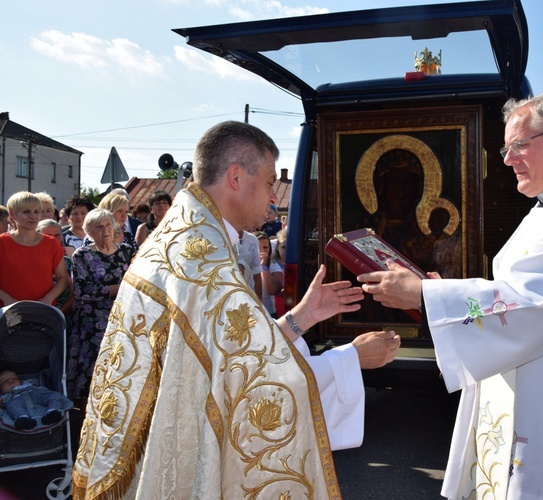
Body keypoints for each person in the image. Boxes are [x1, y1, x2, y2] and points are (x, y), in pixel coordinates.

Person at [72, 121, 400, 498]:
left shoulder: (190, 237)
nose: (272, 198)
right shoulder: (202, 262)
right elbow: (252, 384)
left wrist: (305, 315)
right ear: (235, 177)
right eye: (268, 182)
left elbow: (228, 352)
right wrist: (351, 358)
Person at [358, 94, 543, 499]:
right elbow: (518, 288)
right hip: (524, 387)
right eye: (505, 149)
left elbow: (536, 300)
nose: (508, 159)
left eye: (518, 146)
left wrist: (427, 293)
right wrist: (438, 290)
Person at [67, 209, 134, 401]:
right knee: (95, 372)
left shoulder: (127, 251)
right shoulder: (82, 255)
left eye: (108, 225)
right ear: (89, 231)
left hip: (123, 318)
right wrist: (121, 288)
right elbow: (83, 292)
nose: (105, 230)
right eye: (99, 227)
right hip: (93, 324)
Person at [0, 192, 68, 308]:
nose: (33, 216)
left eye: (37, 211)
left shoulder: (51, 244)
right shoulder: (2, 243)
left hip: (43, 311)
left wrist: (48, 299)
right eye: (26, 212)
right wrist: (7, 299)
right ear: (12, 215)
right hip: (7, 312)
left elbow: (63, 278)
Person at [0, 370, 72, 430]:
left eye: (14, 378)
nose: (10, 380)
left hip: (35, 394)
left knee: (54, 396)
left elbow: (44, 391)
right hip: (16, 400)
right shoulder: (5, 396)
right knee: (11, 405)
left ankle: (53, 411)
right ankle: (23, 418)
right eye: (4, 381)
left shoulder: (29, 384)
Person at [37, 219, 75, 316]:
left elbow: (73, 295)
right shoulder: (29, 260)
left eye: (57, 235)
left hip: (62, 315)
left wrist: (58, 314)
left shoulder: (68, 263)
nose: (53, 239)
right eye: (48, 236)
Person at [253, 230, 283, 318]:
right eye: (258, 247)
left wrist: (263, 267)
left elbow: (273, 290)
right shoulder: (245, 264)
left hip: (269, 314)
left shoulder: (273, 264)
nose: (262, 251)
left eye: (265, 247)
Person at [236, 229, 263, 297]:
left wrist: (259, 303)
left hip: (248, 296)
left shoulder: (252, 239)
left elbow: (256, 273)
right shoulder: (221, 235)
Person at [273, 227, 288, 315]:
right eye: (283, 247)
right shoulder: (273, 264)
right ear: (277, 247)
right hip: (277, 303)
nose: (287, 251)